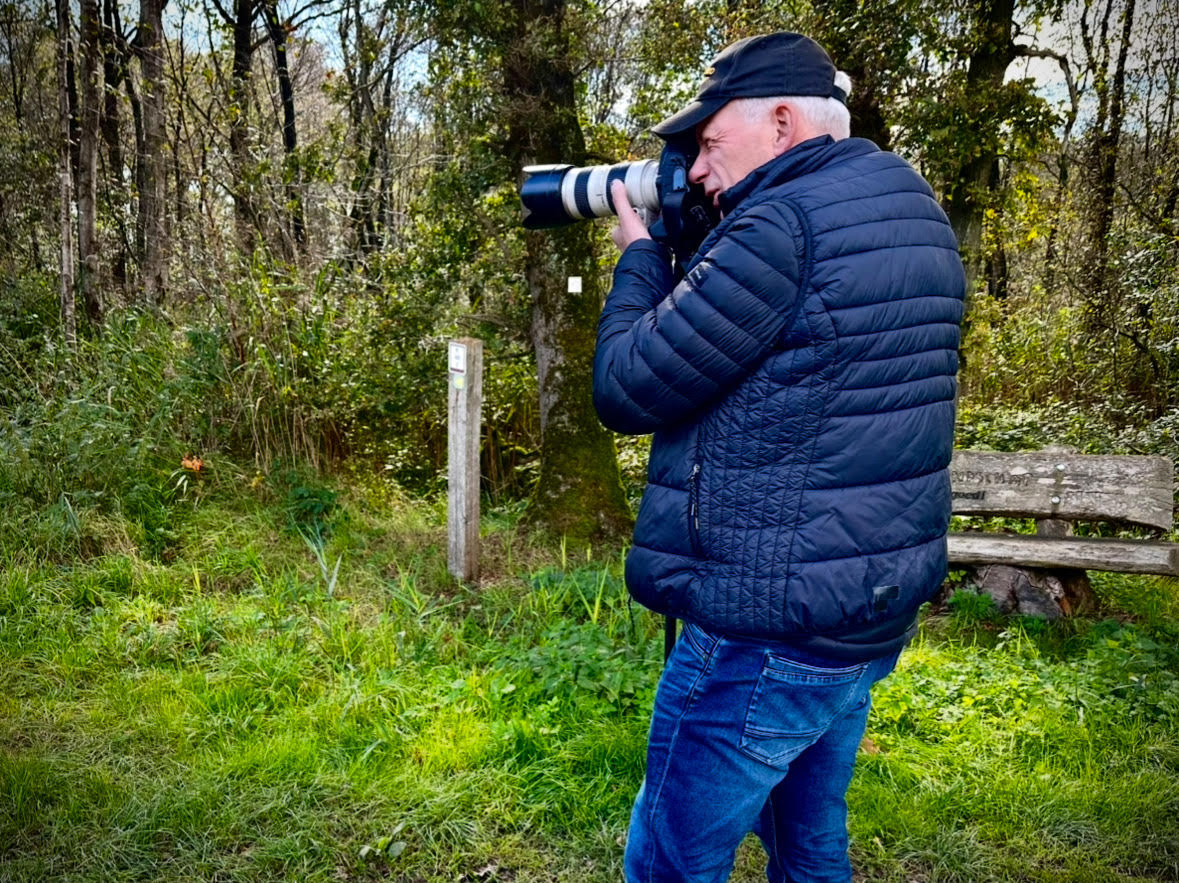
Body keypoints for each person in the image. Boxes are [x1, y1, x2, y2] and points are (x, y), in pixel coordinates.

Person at [591, 32, 966, 883]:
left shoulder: (780, 224)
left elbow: (626, 386)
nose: (699, 167)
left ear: (783, 121)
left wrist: (640, 261)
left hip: (763, 622)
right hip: (861, 606)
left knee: (669, 857)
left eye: (709, 142)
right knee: (808, 843)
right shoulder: (905, 203)